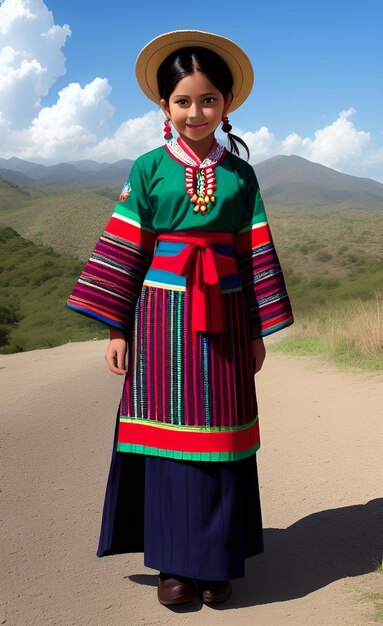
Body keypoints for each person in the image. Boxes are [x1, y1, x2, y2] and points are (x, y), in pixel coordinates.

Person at [67, 30, 293, 607]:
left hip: (225, 318)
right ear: (163, 106)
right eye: (183, 101)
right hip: (158, 323)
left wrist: (256, 333)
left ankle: (217, 564)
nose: (197, 111)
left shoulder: (243, 177)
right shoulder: (146, 170)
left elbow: (255, 253)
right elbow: (124, 252)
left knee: (221, 439)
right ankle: (173, 566)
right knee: (167, 441)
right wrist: (118, 329)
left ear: (228, 102)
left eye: (209, 99)